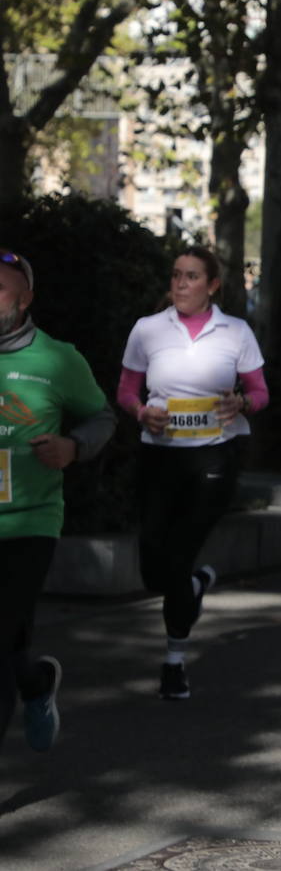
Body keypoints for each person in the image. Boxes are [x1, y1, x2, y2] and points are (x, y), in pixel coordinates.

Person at [117, 246, 268, 700]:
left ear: (212, 286)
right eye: (176, 276)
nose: (180, 284)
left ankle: (174, 660)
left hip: (214, 457)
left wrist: (241, 403)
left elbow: (261, 392)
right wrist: (142, 412)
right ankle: (197, 585)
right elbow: (126, 389)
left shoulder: (236, 332)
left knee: (178, 558)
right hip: (160, 456)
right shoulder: (147, 329)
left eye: (191, 277)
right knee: (152, 568)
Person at [1, 249, 114, 752]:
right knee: (8, 647)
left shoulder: (57, 358)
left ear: (25, 299)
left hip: (29, 523)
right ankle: (35, 684)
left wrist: (72, 447)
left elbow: (102, 418)